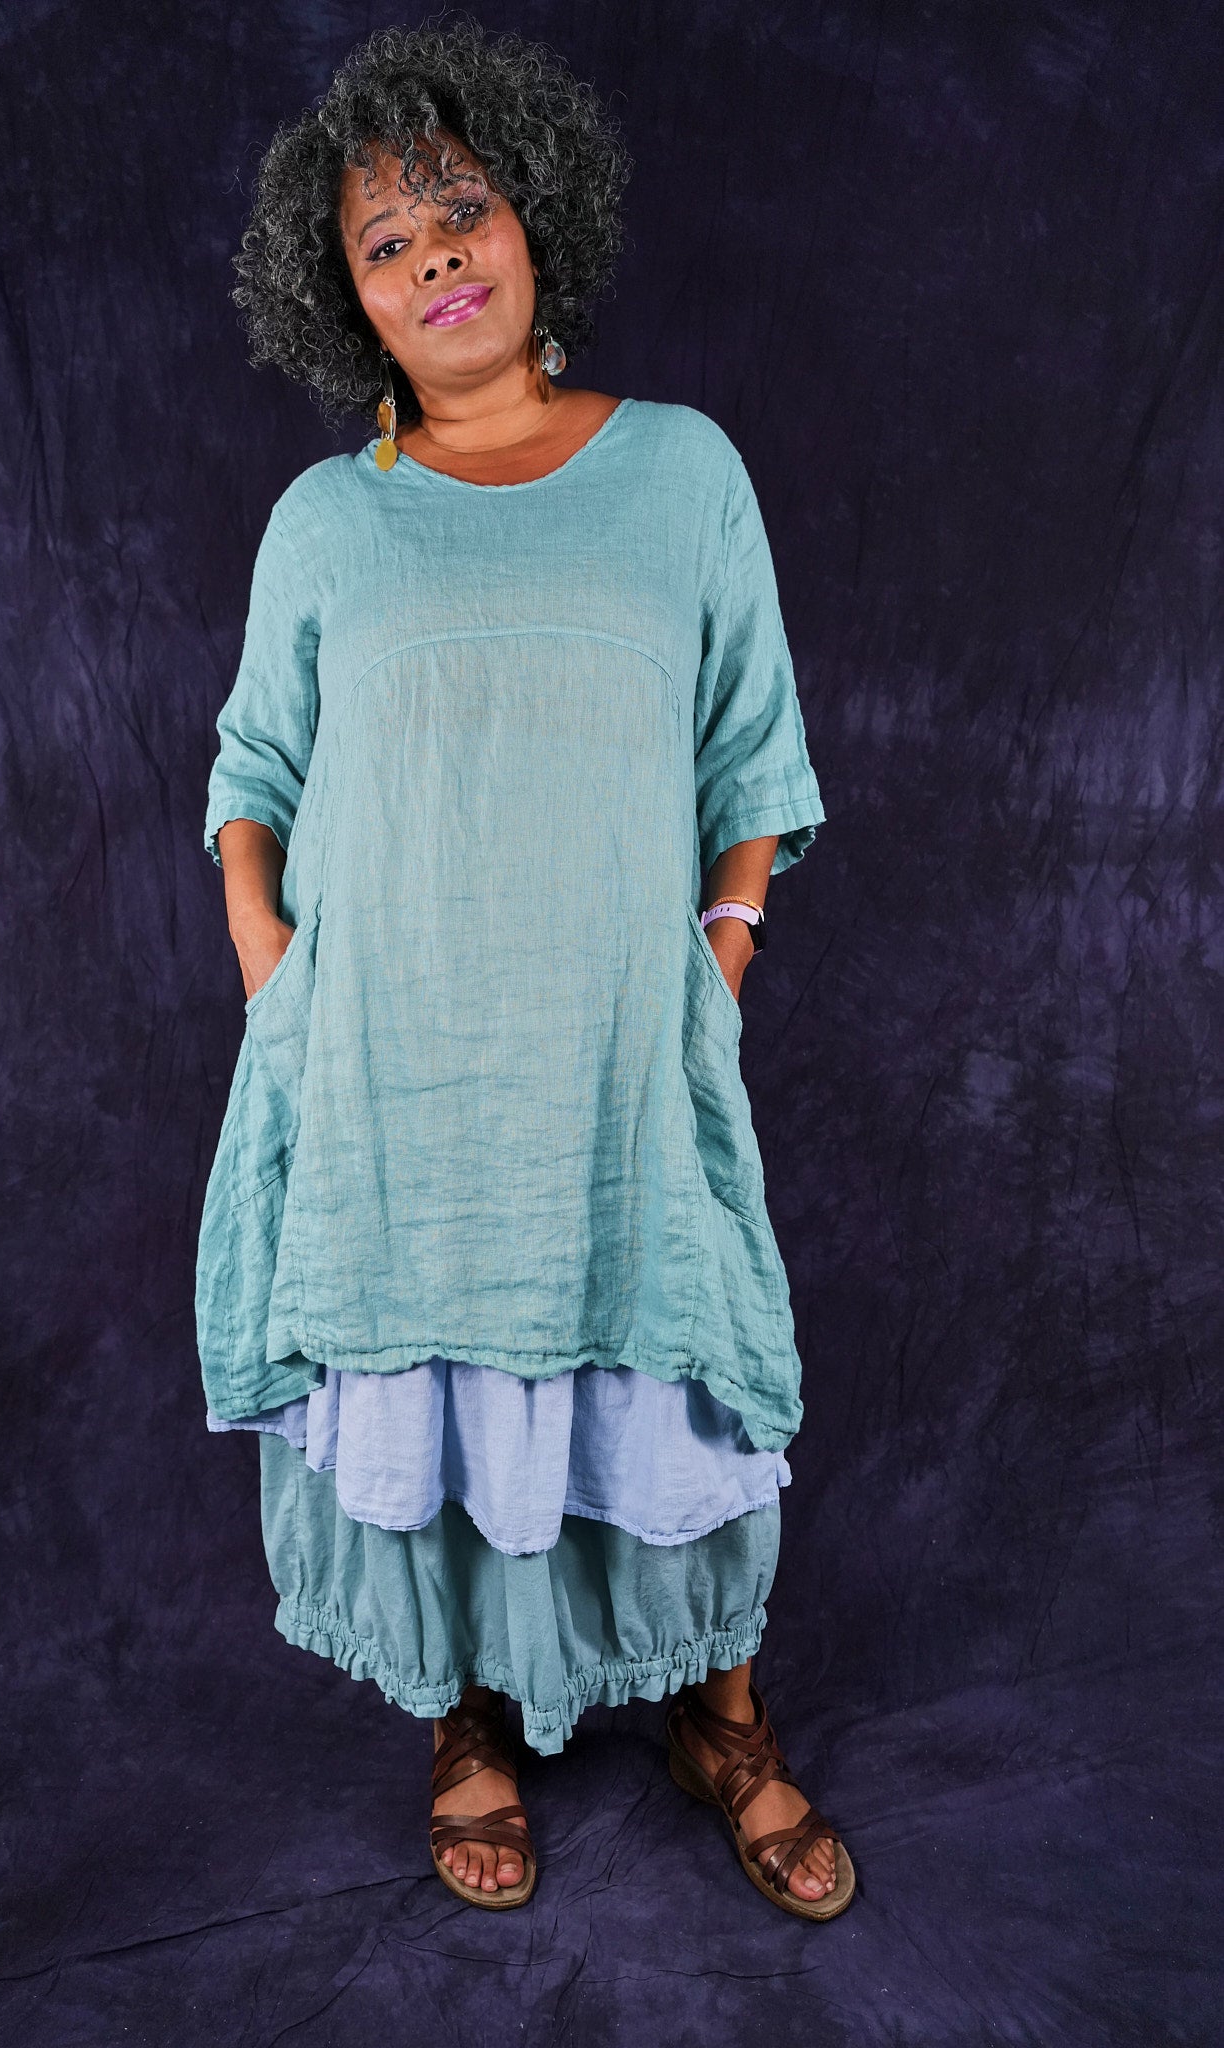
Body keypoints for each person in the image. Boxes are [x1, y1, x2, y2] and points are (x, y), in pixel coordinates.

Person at [196, 19, 854, 1920]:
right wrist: (267, 961)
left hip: (617, 1053)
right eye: (385, 244)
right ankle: (464, 1721)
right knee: (434, 1382)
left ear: (533, 218)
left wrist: (720, 950)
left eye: (459, 210)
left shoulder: (681, 471)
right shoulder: (329, 518)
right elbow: (253, 770)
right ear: (345, 300)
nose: (434, 259)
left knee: (673, 1371)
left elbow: (752, 749)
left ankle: (721, 1719)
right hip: (391, 1064)